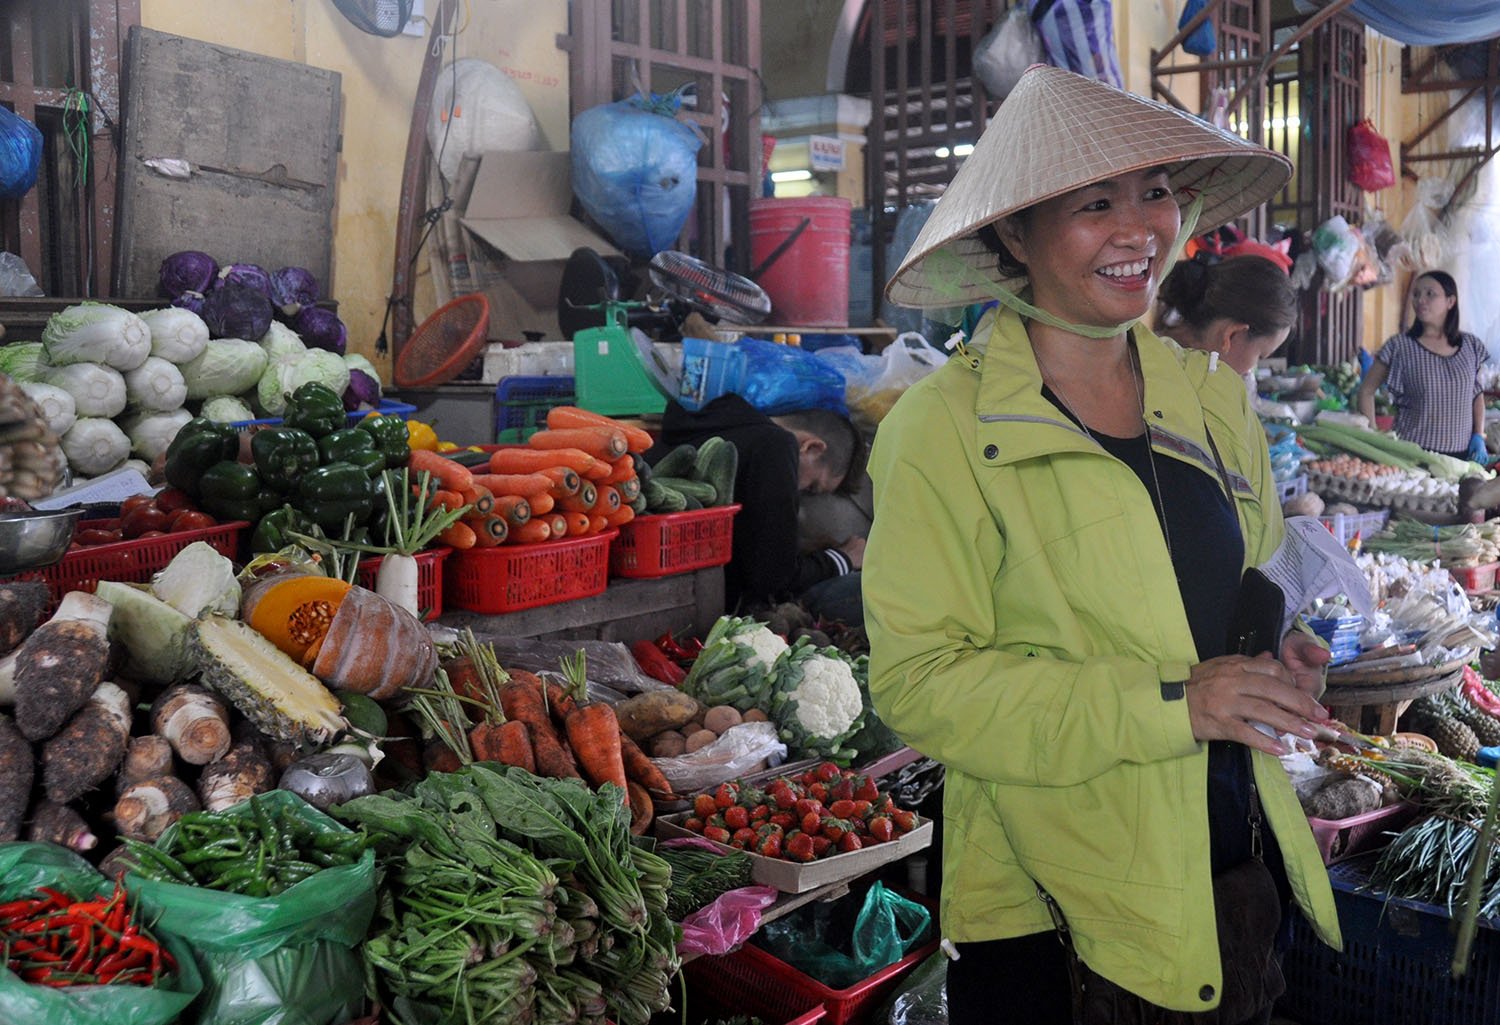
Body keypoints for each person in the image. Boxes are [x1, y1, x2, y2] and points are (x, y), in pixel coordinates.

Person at [863, 65, 1341, 1025]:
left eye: (1156, 190)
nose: (1140, 229)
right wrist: (1175, 700)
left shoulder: (1208, 396)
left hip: (1228, 865)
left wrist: (1273, 650)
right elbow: (922, 682)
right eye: (1094, 202)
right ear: (1013, 234)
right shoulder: (943, 429)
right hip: (1056, 906)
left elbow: (1239, 576)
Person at [647, 393, 866, 611]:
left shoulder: (723, 422)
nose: (800, 493)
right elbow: (772, 577)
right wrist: (843, 558)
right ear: (812, 447)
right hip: (676, 601)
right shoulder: (776, 445)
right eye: (812, 486)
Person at [1357, 270, 1488, 462]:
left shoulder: (1471, 346)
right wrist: (1373, 435)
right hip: (1411, 456)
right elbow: (1366, 391)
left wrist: (1478, 434)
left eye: (1430, 294)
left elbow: (1476, 394)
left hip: (1460, 457)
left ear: (1450, 302)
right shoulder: (1399, 346)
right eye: (1416, 294)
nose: (1420, 300)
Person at [1156, 254, 1299, 376]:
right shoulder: (1173, 388)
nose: (1249, 372)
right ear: (1231, 335)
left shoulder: (1153, 351)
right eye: (1260, 356)